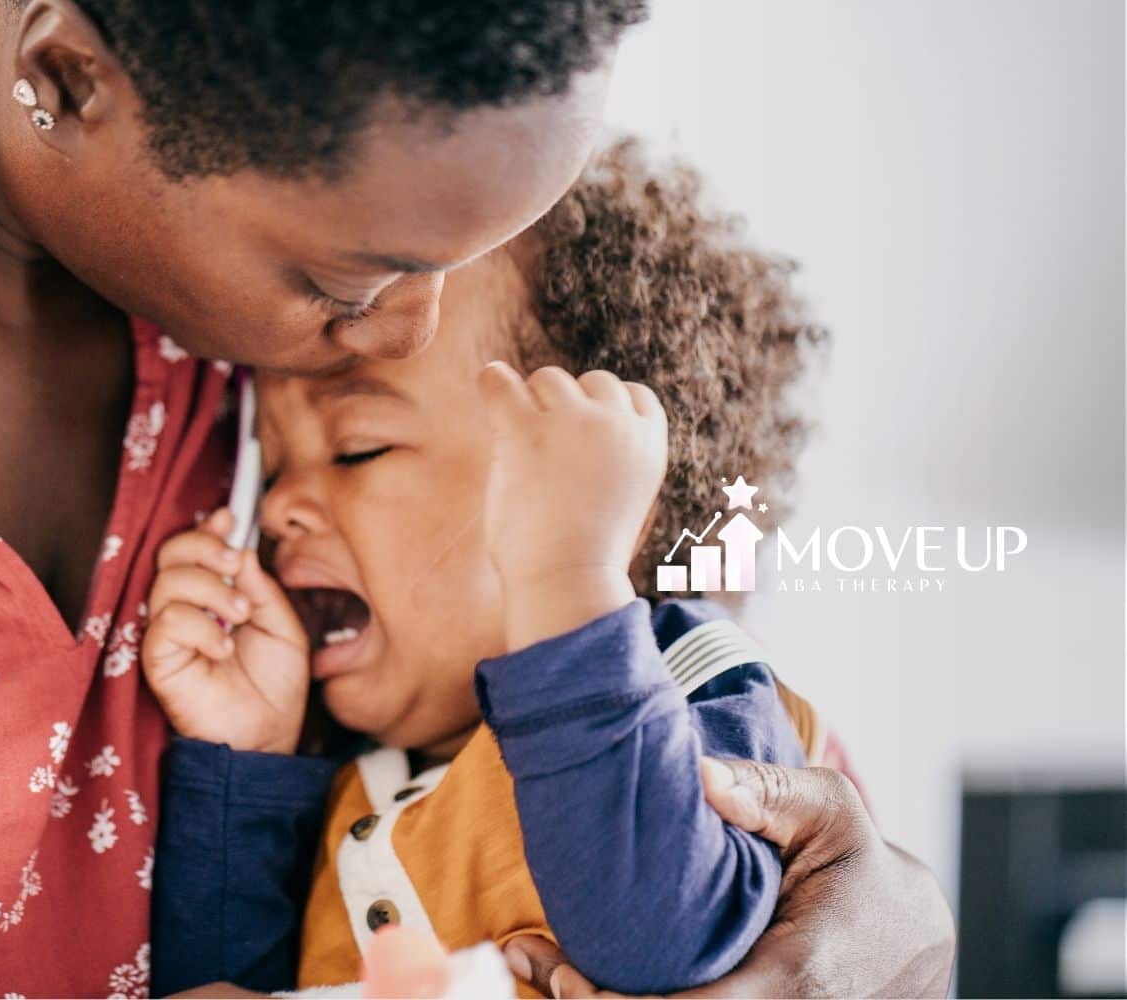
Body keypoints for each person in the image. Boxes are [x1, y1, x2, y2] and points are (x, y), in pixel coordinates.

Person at [0, 0, 953, 996]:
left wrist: (888, 916)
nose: (399, 332)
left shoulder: (272, 272)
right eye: (346, 282)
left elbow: (681, 699)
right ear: (64, 79)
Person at [144, 139, 828, 996]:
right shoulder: (358, 780)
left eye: (357, 449)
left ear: (605, 493)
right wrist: (247, 764)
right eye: (273, 467)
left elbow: (661, 935)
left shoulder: (697, 679)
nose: (279, 508)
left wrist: (568, 580)